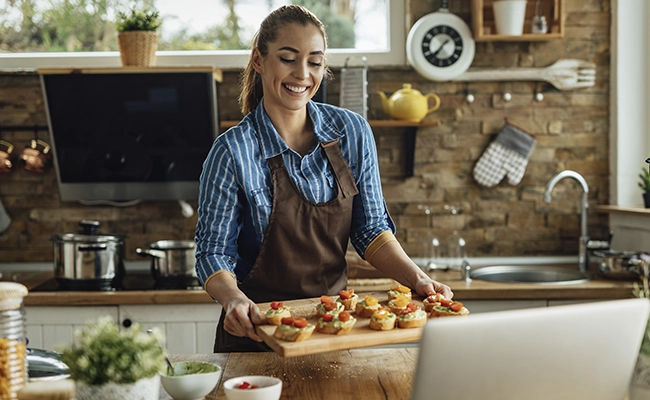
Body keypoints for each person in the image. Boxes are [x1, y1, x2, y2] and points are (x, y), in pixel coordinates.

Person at [195, 4, 453, 353]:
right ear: (259, 60)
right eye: (288, 58)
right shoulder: (232, 152)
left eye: (314, 62)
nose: (302, 74)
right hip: (256, 336)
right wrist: (233, 299)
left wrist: (417, 277)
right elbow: (213, 253)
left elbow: (370, 229)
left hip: (332, 332)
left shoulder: (352, 132)